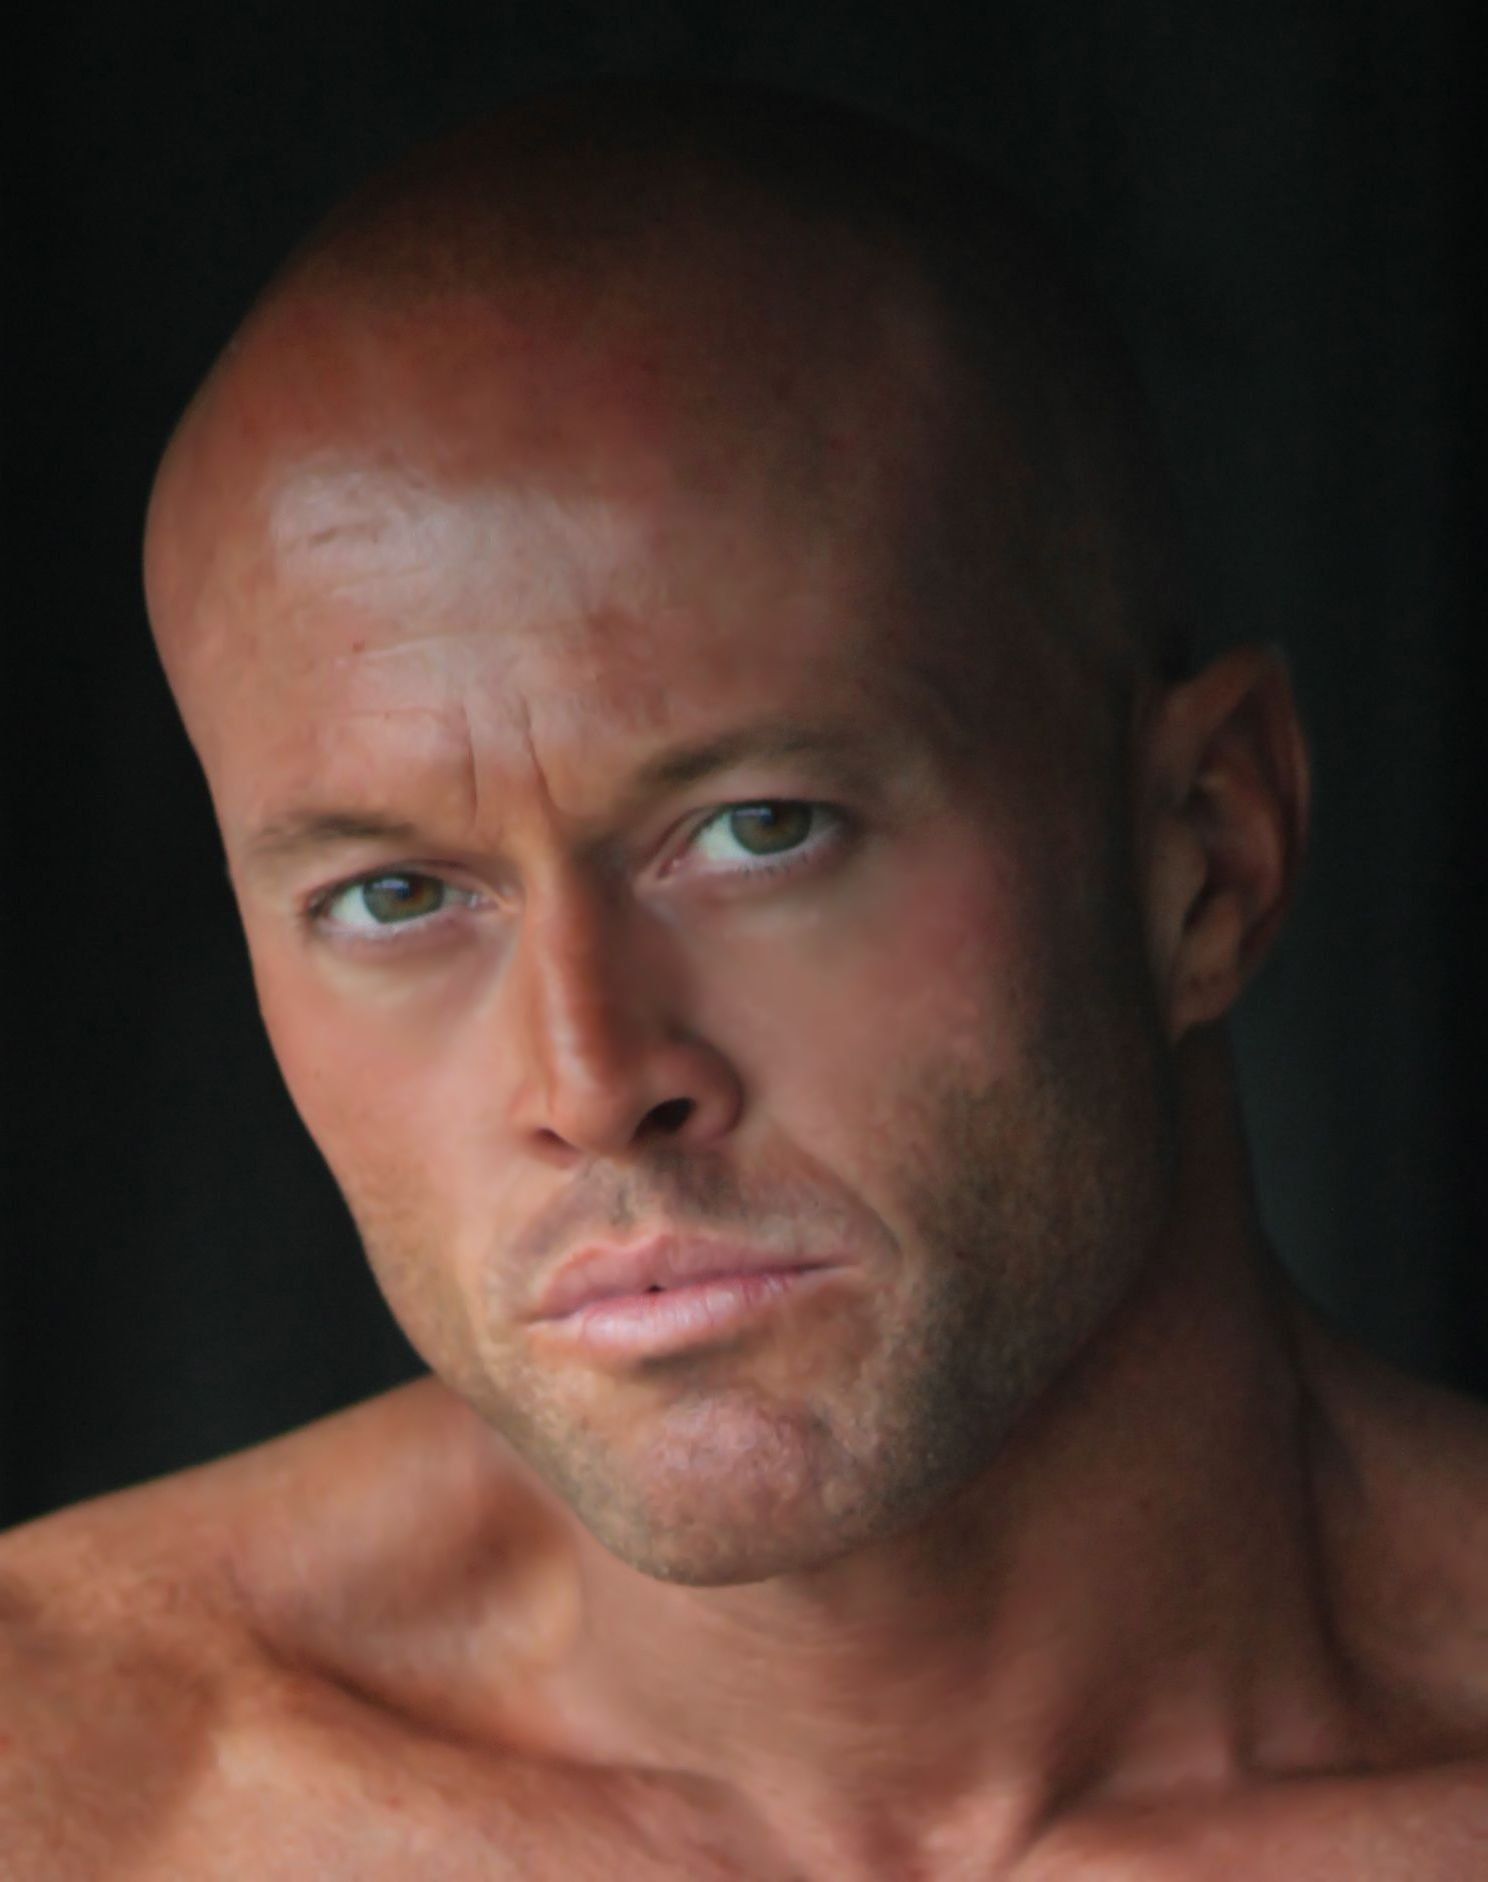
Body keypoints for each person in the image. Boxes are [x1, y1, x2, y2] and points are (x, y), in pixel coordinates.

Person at [2, 78, 1485, 1880]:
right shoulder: (68, 1791)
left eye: (759, 828)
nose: (592, 1076)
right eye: (396, 894)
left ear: (1207, 854)